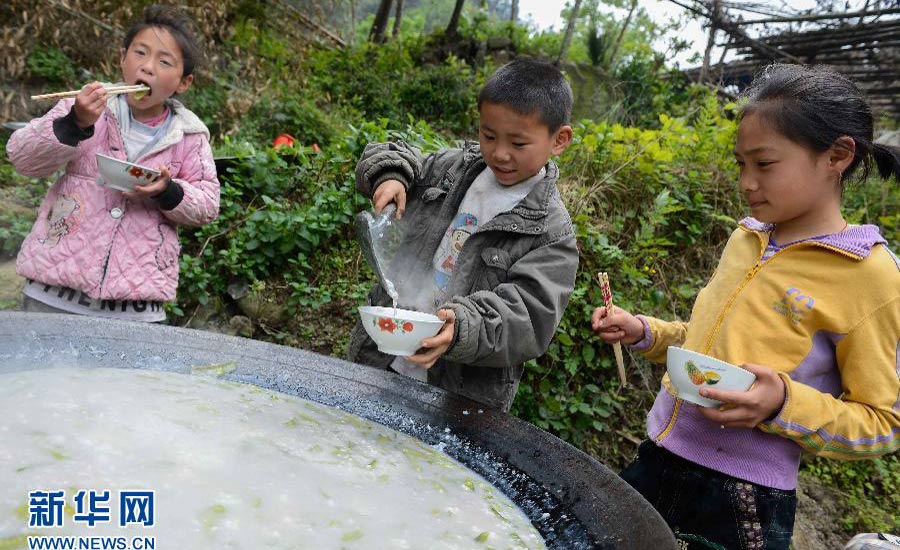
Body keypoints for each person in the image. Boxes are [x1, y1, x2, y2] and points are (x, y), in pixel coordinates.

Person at [592, 63, 900, 549]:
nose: (746, 182)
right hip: (658, 459)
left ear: (837, 155)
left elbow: (882, 423)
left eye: (764, 164)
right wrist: (644, 332)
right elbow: (706, 344)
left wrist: (782, 403)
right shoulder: (746, 238)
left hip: (743, 500)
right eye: (740, 164)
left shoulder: (870, 276)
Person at [347, 58, 579, 412]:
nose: (499, 153)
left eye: (518, 143)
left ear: (559, 139)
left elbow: (529, 316)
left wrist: (462, 327)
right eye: (488, 136)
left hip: (458, 397)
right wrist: (390, 176)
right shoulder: (450, 170)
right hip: (384, 360)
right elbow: (393, 152)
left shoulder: (551, 232)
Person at [7, 4, 219, 321]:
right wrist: (73, 124)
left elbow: (208, 205)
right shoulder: (83, 107)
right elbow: (22, 158)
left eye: (164, 62)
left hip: (134, 306)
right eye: (140, 53)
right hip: (53, 291)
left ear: (183, 82)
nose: (147, 67)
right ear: (122, 58)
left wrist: (168, 192)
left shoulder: (188, 135)